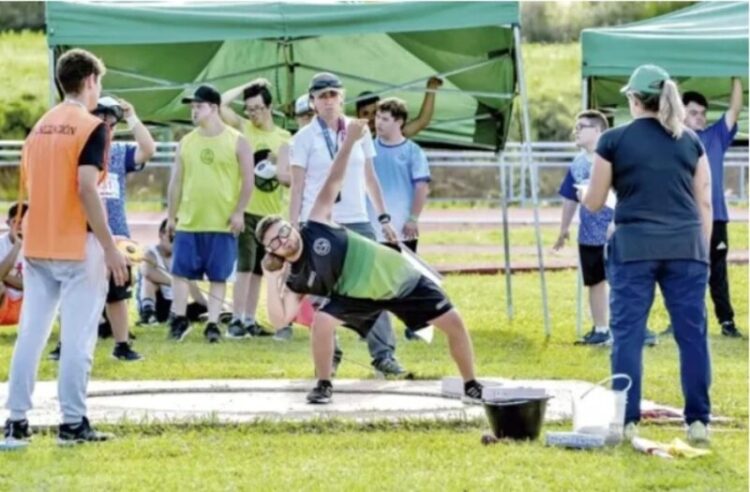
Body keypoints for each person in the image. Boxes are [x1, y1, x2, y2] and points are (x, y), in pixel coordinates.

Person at [258, 118, 482, 404]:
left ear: (291, 226)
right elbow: (280, 319)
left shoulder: (315, 222)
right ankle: (324, 385)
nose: (284, 240)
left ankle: (471, 384)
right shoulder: (295, 278)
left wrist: (350, 141)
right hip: (356, 294)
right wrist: (271, 277)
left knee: (454, 322)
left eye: (283, 232)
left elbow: (334, 179)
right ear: (271, 252)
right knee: (323, 322)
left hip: (396, 277)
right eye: (275, 242)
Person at [3, 48, 128, 446]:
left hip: (39, 242)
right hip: (78, 243)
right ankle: (73, 423)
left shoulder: (40, 126)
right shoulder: (92, 126)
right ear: (90, 80)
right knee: (77, 337)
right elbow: (87, 187)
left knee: (31, 335)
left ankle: (16, 421)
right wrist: (110, 247)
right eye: (99, 83)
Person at [583, 64, 713, 445]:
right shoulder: (690, 140)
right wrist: (701, 250)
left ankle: (626, 420)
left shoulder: (613, 139)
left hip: (634, 246)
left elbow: (593, 202)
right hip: (687, 246)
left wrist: (583, 194)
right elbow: (703, 201)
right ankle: (698, 422)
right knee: (692, 336)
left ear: (634, 99)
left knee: (627, 335)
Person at [289, 72, 405, 377]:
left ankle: (383, 355)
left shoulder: (359, 131)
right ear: (312, 102)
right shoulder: (302, 139)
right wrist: (294, 227)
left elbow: (370, 177)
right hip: (319, 224)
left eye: (332, 95)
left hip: (358, 220)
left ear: (342, 97)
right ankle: (331, 356)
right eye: (321, 96)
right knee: (321, 294)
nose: (328, 101)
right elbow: (298, 187)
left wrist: (384, 218)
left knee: (374, 287)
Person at [49, 96, 156, 362]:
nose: (105, 123)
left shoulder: (118, 152)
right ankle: (66, 343)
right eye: (100, 116)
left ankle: (122, 344)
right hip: (81, 231)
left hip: (116, 234)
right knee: (73, 291)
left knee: (117, 293)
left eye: (110, 119)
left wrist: (132, 116)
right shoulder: (78, 149)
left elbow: (148, 149)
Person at [167, 84, 253, 343]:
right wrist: (171, 216)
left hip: (222, 222)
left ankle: (213, 323)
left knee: (218, 275)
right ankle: (179, 319)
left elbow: (249, 181)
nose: (194, 112)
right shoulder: (186, 142)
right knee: (180, 273)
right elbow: (176, 182)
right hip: (189, 220)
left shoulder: (237, 140)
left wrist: (239, 212)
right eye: (192, 107)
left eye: (199, 106)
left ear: (214, 108)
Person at [665, 79, 744, 339]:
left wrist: (735, 76)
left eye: (702, 113)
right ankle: (680, 321)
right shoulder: (671, 141)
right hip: (683, 219)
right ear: (681, 113)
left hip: (716, 217)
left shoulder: (715, 137)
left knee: (717, 273)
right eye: (693, 113)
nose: (700, 118)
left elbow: (734, 109)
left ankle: (727, 321)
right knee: (681, 272)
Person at [220, 79, 292, 339]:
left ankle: (250, 318)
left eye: (259, 108)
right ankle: (237, 318)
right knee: (244, 267)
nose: (254, 114)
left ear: (270, 107)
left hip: (273, 214)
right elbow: (221, 103)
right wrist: (249, 84)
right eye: (249, 109)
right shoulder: (243, 129)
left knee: (261, 269)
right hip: (248, 210)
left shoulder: (284, 137)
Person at [369, 97, 431, 341]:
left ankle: (417, 326)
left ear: (399, 122)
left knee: (407, 279)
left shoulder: (413, 152)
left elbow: (421, 188)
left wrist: (413, 218)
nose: (378, 123)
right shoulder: (367, 149)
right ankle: (377, 332)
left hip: (403, 229)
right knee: (375, 281)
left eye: (384, 119)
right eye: (377, 117)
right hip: (372, 228)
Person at [553, 110, 614, 346]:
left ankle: (631, 327)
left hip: (615, 232)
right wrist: (563, 228)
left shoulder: (613, 159)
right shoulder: (577, 163)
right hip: (589, 234)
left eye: (582, 126)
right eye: (575, 126)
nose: (576, 131)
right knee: (594, 282)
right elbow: (570, 198)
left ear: (598, 130)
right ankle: (601, 329)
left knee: (622, 281)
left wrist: (616, 223)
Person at [137, 219, 208, 325]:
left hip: (174, 304)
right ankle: (148, 314)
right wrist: (177, 283)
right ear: (161, 234)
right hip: (157, 302)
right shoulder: (150, 252)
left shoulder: (181, 257)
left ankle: (178, 316)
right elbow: (148, 272)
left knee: (201, 306)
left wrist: (212, 305)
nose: (175, 242)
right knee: (150, 281)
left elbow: (193, 289)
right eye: (172, 238)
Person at [356, 76, 443, 136]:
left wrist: (431, 88)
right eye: (365, 113)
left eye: (374, 112)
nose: (371, 117)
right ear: (358, 116)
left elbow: (422, 121)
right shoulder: (350, 139)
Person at [0, 203, 28, 326]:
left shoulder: (36, 247)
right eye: (15, 222)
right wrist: (17, 246)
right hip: (4, 302)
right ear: (8, 223)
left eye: (24, 222)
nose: (19, 226)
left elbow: (32, 285)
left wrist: (6, 278)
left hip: (25, 304)